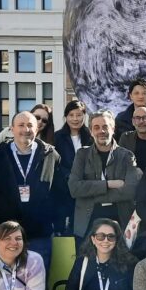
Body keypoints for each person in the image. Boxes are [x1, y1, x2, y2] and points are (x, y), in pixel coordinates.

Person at [0, 112, 60, 277]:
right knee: (5, 285)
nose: (25, 129)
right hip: (5, 234)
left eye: (30, 125)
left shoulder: (51, 156)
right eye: (21, 125)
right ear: (12, 129)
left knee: (37, 286)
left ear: (37, 129)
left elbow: (59, 195)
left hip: (39, 234)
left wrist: (57, 224)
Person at [69, 110, 140, 247]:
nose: (101, 131)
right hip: (87, 222)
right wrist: (108, 184)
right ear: (91, 131)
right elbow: (74, 188)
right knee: (86, 265)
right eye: (96, 127)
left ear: (113, 129)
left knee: (120, 266)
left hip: (120, 221)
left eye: (105, 126)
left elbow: (130, 191)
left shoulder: (127, 156)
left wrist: (90, 193)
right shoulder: (82, 155)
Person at [53, 100, 93, 236]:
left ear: (84, 116)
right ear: (66, 117)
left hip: (86, 188)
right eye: (71, 115)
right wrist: (70, 177)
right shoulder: (57, 137)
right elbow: (56, 163)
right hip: (64, 188)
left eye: (79, 115)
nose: (75, 119)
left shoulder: (90, 137)